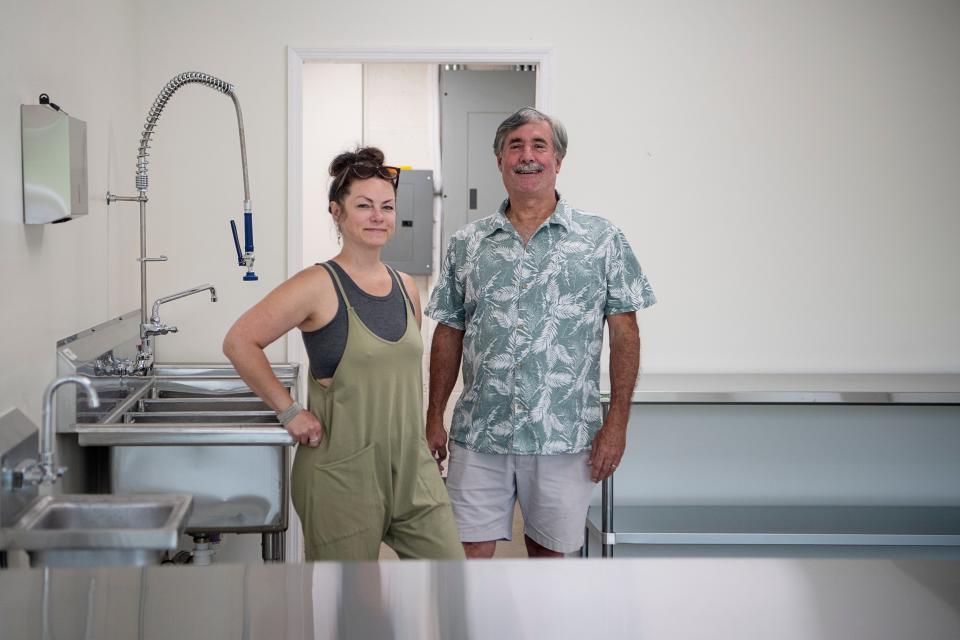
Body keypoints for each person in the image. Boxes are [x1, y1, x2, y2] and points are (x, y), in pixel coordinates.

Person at [425, 107, 656, 558]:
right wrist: (435, 414)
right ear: (499, 161)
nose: (527, 156)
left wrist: (618, 423)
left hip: (564, 437)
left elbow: (625, 334)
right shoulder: (467, 244)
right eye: (515, 146)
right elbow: (448, 330)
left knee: (550, 562)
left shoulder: (601, 239)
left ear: (558, 159)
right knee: (465, 557)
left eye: (539, 145)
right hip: (480, 433)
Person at [223, 147, 464, 561]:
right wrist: (289, 411)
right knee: (356, 611)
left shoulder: (406, 286)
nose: (378, 216)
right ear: (337, 212)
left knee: (450, 579)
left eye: (386, 207)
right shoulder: (317, 284)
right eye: (364, 205)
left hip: (411, 469)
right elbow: (239, 341)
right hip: (343, 476)